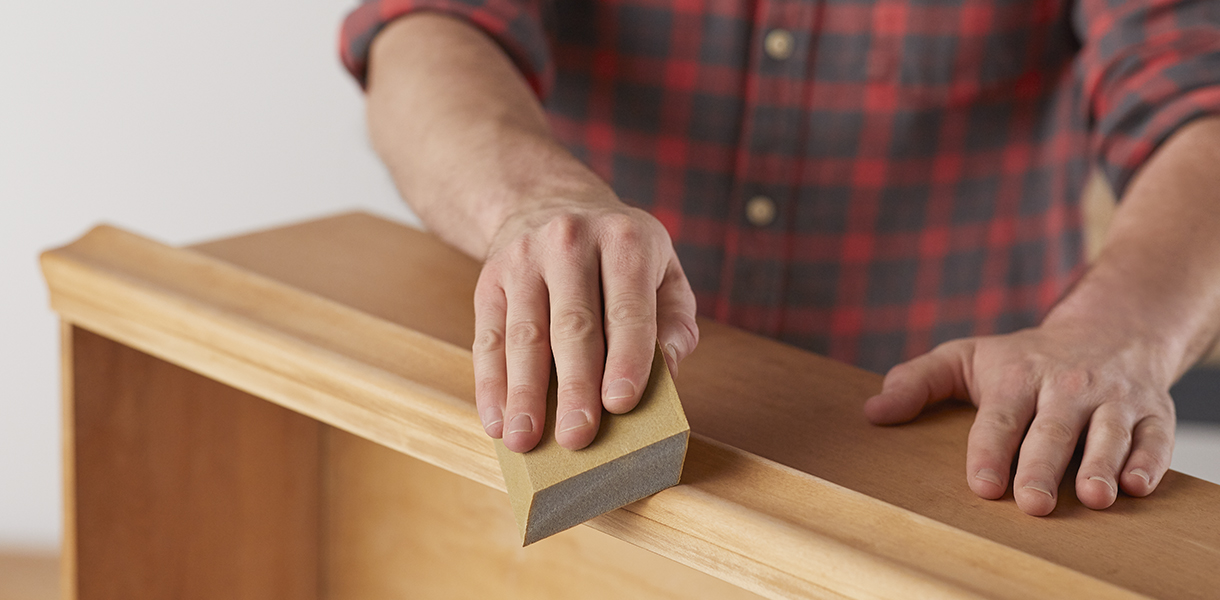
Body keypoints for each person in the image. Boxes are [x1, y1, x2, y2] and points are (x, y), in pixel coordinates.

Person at [338, 0, 1220, 516]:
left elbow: (1199, 95)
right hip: (562, 434)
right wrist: (532, 204)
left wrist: (1123, 330)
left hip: (941, 468)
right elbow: (425, 29)